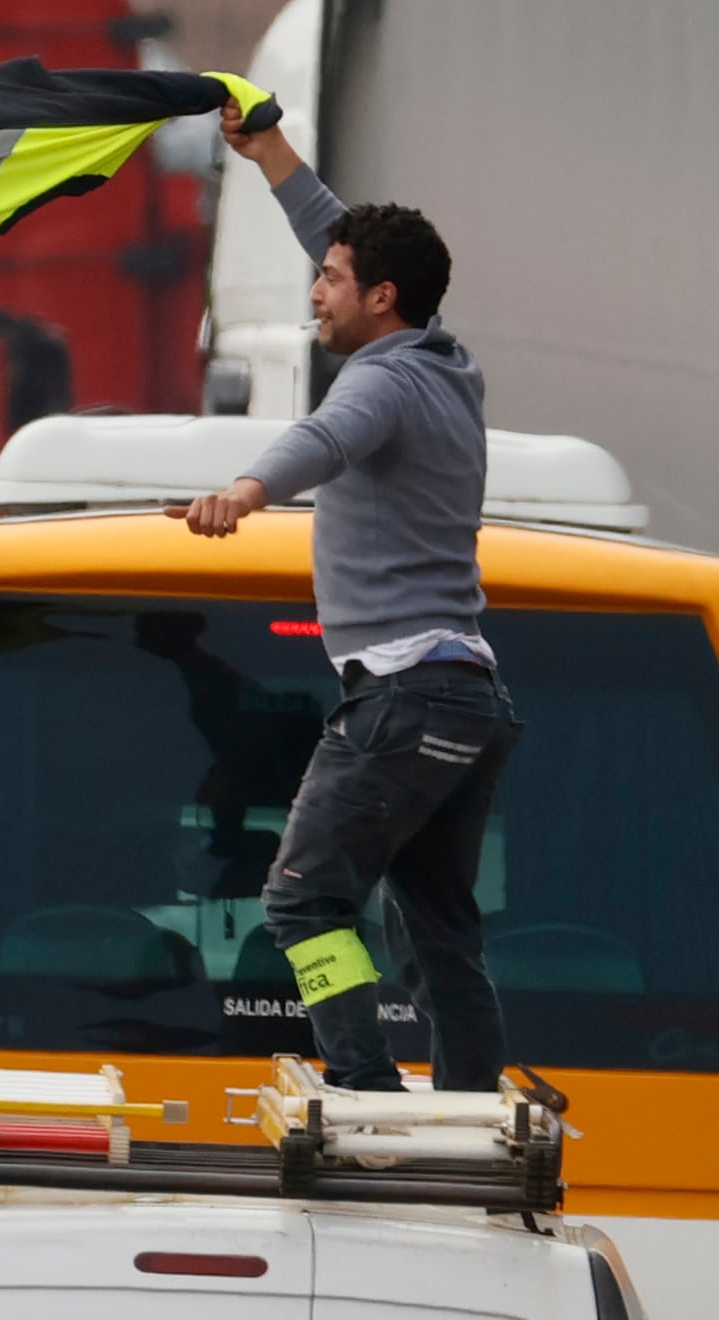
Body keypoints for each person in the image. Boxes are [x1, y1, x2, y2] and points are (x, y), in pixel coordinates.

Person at [168, 102, 522, 1092]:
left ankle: (362, 1083)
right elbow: (333, 228)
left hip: (401, 699)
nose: (311, 297)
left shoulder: (379, 383)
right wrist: (268, 155)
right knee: (441, 925)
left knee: (299, 902)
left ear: (380, 296)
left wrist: (242, 491)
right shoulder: (442, 362)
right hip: (468, 700)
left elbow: (321, 439)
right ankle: (467, 1104)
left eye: (328, 282)